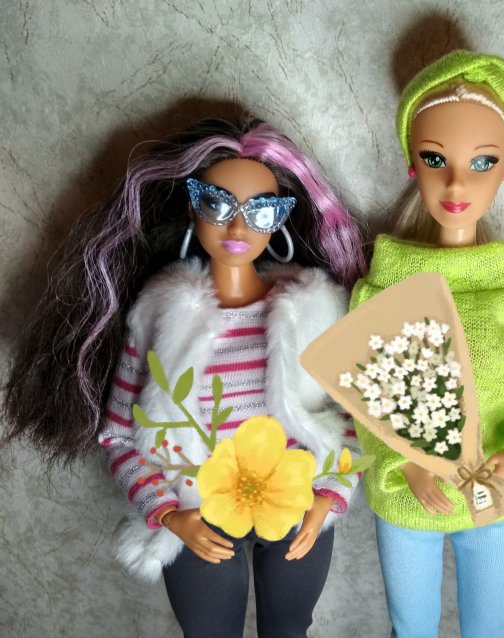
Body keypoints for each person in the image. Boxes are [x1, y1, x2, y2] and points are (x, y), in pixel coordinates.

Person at [2, 116, 365, 638]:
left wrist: (330, 492)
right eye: (218, 204)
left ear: (280, 222)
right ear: (192, 207)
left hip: (296, 495)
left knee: (289, 628)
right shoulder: (161, 314)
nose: (238, 228)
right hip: (196, 505)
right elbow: (118, 435)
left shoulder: (313, 309)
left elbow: (349, 415)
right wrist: (169, 513)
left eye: (261, 211)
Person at [350, 50, 504, 638]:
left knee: (488, 626)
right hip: (407, 496)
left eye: (482, 162)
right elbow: (365, 397)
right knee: (411, 627)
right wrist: (406, 464)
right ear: (411, 162)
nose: (456, 183)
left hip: (493, 491)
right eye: (434, 159)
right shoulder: (380, 290)